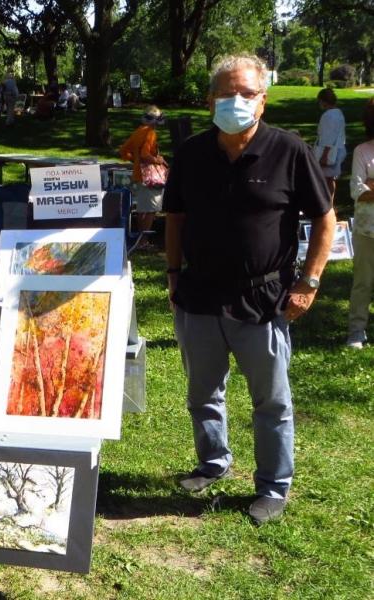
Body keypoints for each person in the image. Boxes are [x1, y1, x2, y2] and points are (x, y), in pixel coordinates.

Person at [163, 54, 335, 524]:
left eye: (246, 93)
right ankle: (213, 462)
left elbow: (325, 219)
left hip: (264, 299)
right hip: (199, 296)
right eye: (226, 93)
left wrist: (309, 282)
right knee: (202, 393)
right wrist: (173, 275)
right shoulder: (192, 153)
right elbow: (175, 216)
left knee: (272, 402)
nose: (235, 101)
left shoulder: (289, 150)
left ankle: (273, 486)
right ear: (210, 100)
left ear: (263, 101)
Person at [346, 97, 374, 349]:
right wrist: (367, 188)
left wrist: (371, 185)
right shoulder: (362, 151)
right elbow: (357, 190)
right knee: (363, 282)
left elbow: (367, 188)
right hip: (367, 229)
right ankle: (356, 331)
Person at [119, 105, 168, 248]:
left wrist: (136, 161)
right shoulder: (150, 133)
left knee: (142, 209)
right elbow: (145, 154)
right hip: (150, 177)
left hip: (139, 175)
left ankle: (140, 240)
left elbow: (123, 151)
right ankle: (143, 241)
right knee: (151, 210)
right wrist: (158, 160)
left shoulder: (138, 131)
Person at [315, 87, 347, 204]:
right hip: (338, 150)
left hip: (329, 152)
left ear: (323, 101)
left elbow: (328, 137)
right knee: (330, 179)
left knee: (324, 179)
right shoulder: (338, 113)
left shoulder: (328, 116)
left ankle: (325, 204)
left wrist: (325, 155)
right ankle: (330, 203)